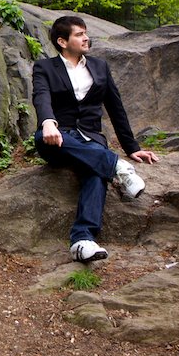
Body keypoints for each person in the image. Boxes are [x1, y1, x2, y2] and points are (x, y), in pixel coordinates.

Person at [32, 15, 158, 263]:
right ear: (62, 41)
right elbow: (41, 96)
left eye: (85, 32)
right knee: (50, 140)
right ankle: (118, 168)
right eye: (79, 34)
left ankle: (82, 240)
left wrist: (132, 147)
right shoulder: (44, 68)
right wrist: (48, 122)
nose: (86, 37)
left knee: (95, 171)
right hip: (58, 136)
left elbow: (115, 107)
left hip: (90, 139)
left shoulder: (100, 66)